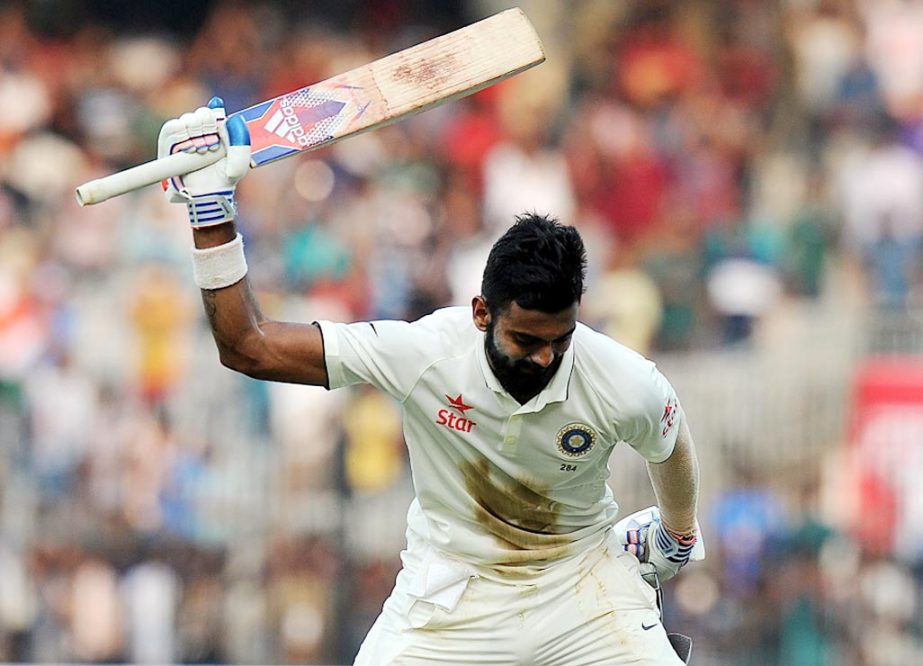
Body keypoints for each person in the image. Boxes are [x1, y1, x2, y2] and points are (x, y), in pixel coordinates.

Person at [158, 99, 702, 665]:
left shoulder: (620, 378)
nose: (545, 359)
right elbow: (249, 346)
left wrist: (677, 535)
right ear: (481, 313)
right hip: (452, 596)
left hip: (581, 586)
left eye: (559, 339)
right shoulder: (425, 353)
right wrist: (210, 209)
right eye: (526, 340)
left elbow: (671, 443)